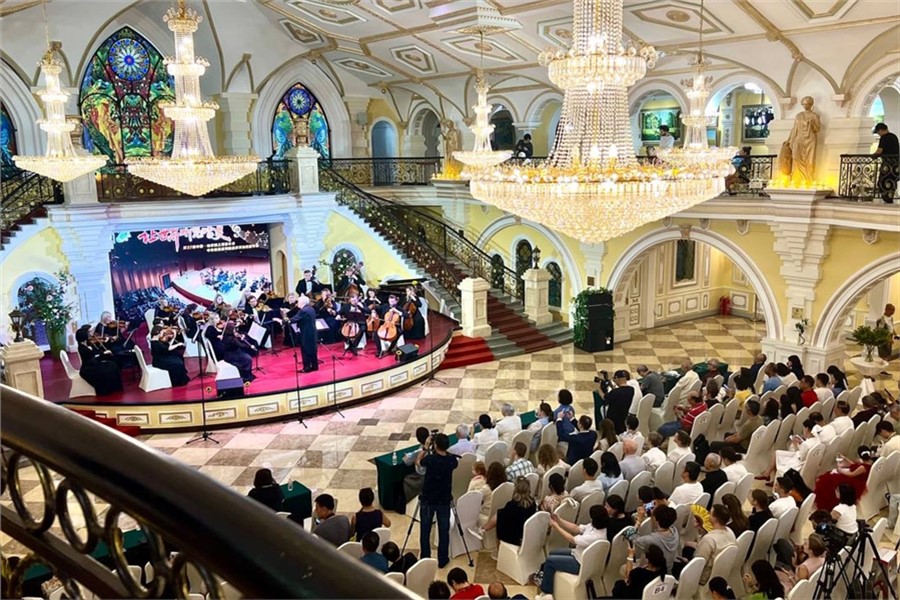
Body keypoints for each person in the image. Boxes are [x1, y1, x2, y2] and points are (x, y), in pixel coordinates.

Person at [537, 505, 608, 597]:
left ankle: (546, 592)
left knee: (550, 561)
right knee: (552, 553)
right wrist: (559, 520)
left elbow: (572, 539)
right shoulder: (597, 526)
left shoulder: (596, 536)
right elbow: (577, 528)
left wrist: (556, 526)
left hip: (580, 563)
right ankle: (547, 580)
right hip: (578, 553)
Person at [417, 433, 459, 567]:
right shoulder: (452, 460)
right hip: (444, 499)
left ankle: (425, 557)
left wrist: (425, 448)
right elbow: (453, 461)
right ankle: (442, 558)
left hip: (428, 499)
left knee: (425, 529)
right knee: (443, 530)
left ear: (435, 445)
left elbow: (418, 462)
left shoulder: (430, 459)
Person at [481, 476, 536, 546]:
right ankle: (484, 529)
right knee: (501, 514)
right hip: (527, 534)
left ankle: (484, 529)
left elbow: (504, 519)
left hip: (514, 537)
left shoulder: (512, 505)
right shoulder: (533, 503)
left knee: (500, 515)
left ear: (515, 489)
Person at [74, 325, 123, 396]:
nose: (89, 335)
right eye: (88, 334)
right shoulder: (82, 348)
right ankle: (108, 389)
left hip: (93, 364)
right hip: (88, 368)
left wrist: (102, 353)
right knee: (110, 366)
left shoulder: (87, 344)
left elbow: (95, 354)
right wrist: (103, 354)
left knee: (112, 364)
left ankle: (115, 387)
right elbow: (92, 358)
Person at [696, 505, 737, 585]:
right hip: (722, 574)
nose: (708, 515)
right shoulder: (730, 532)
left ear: (714, 519)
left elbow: (698, 564)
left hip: (704, 579)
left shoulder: (709, 539)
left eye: (710, 513)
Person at [632, 504, 680, 571]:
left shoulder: (651, 539)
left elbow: (632, 537)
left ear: (657, 520)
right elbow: (657, 528)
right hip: (669, 568)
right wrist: (653, 515)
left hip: (655, 572)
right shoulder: (674, 531)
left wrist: (639, 520)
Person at [288, 295, 318, 372]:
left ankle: (307, 367)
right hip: (312, 332)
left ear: (302, 302)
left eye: (298, 301)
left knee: (305, 349)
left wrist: (283, 321)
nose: (297, 303)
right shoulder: (311, 309)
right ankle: (314, 365)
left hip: (305, 333)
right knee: (312, 349)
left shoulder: (303, 311)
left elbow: (294, 319)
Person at [873, 122, 899, 203]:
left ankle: (887, 199)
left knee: (882, 181)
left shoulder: (884, 138)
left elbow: (879, 151)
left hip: (887, 164)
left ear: (880, 130)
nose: (879, 134)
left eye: (878, 132)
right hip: (896, 164)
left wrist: (872, 156)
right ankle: (890, 197)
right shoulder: (894, 136)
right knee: (892, 180)